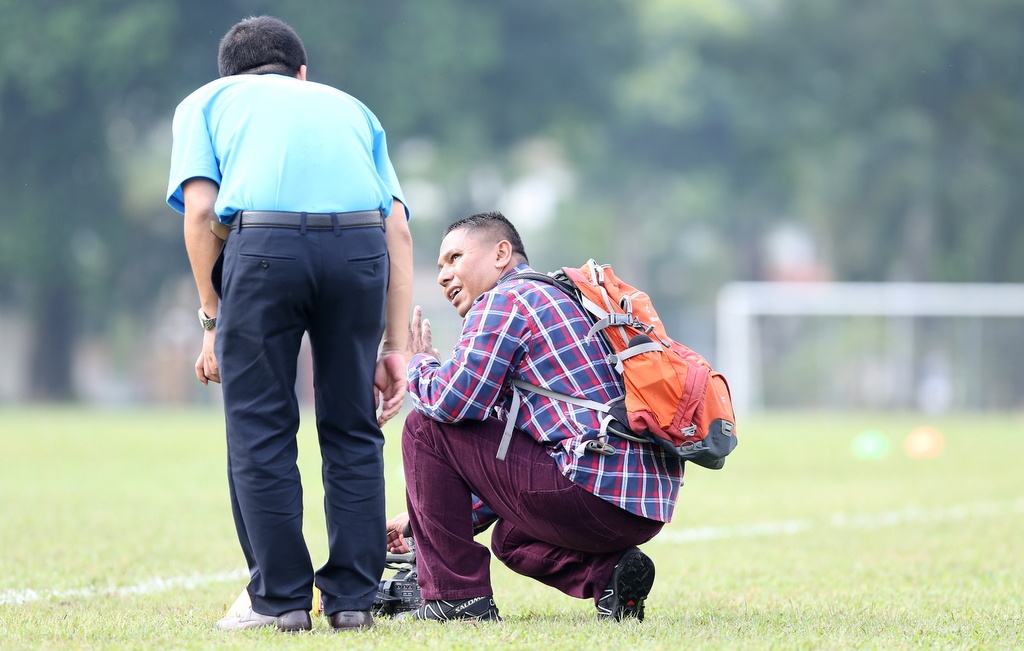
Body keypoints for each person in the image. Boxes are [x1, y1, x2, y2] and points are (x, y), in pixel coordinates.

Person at [165, 15, 413, 633]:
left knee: (260, 428)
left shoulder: (207, 102)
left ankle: (280, 601)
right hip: (359, 250)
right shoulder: (353, 109)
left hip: (264, 249)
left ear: (231, 75)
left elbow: (201, 211)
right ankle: (353, 601)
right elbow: (398, 228)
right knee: (353, 428)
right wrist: (396, 346)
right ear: (302, 73)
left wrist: (211, 319)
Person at [397, 211, 685, 622]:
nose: (444, 275)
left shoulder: (504, 300)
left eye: (455, 257)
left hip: (592, 491)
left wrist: (419, 364)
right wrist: (421, 518)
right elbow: (504, 463)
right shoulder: (563, 295)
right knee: (512, 537)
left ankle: (456, 599)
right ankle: (610, 573)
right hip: (642, 505)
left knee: (424, 427)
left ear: (501, 254)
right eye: (441, 265)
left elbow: (451, 403)